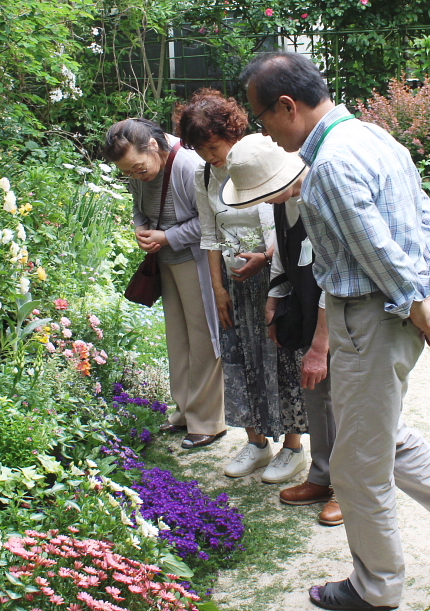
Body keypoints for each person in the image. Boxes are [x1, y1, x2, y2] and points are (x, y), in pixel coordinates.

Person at [239, 52, 430, 611]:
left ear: (287, 106)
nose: (266, 133)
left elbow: (375, 247)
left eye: (263, 119)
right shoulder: (376, 137)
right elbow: (426, 218)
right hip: (387, 314)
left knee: (356, 468)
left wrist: (420, 302)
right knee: (382, 439)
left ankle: (375, 590)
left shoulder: (328, 168)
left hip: (370, 318)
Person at [177, 90, 309, 484]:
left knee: (281, 358)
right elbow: (210, 232)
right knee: (241, 359)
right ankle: (255, 441)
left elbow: (285, 222)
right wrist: (218, 288)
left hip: (274, 279)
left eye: (213, 147)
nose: (208, 157)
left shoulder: (264, 160)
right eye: (200, 150)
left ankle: (292, 447)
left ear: (231, 132)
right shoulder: (205, 175)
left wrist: (265, 260)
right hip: (236, 285)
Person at [222, 133, 341, 528]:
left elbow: (334, 277)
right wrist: (273, 304)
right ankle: (322, 477)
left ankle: (348, 488)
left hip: (341, 310)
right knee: (316, 397)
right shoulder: (282, 200)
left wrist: (320, 345)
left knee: (342, 399)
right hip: (305, 305)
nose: (260, 200)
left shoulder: (321, 198)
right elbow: (284, 254)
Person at [101, 117, 225, 449]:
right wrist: (141, 228)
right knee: (178, 338)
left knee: (203, 340)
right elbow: (139, 208)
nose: (134, 176)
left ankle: (209, 421)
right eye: (127, 172)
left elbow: (210, 222)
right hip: (167, 260)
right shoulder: (138, 168)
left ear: (153, 146)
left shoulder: (188, 164)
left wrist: (167, 236)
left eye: (138, 169)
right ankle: (184, 413)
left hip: (196, 261)